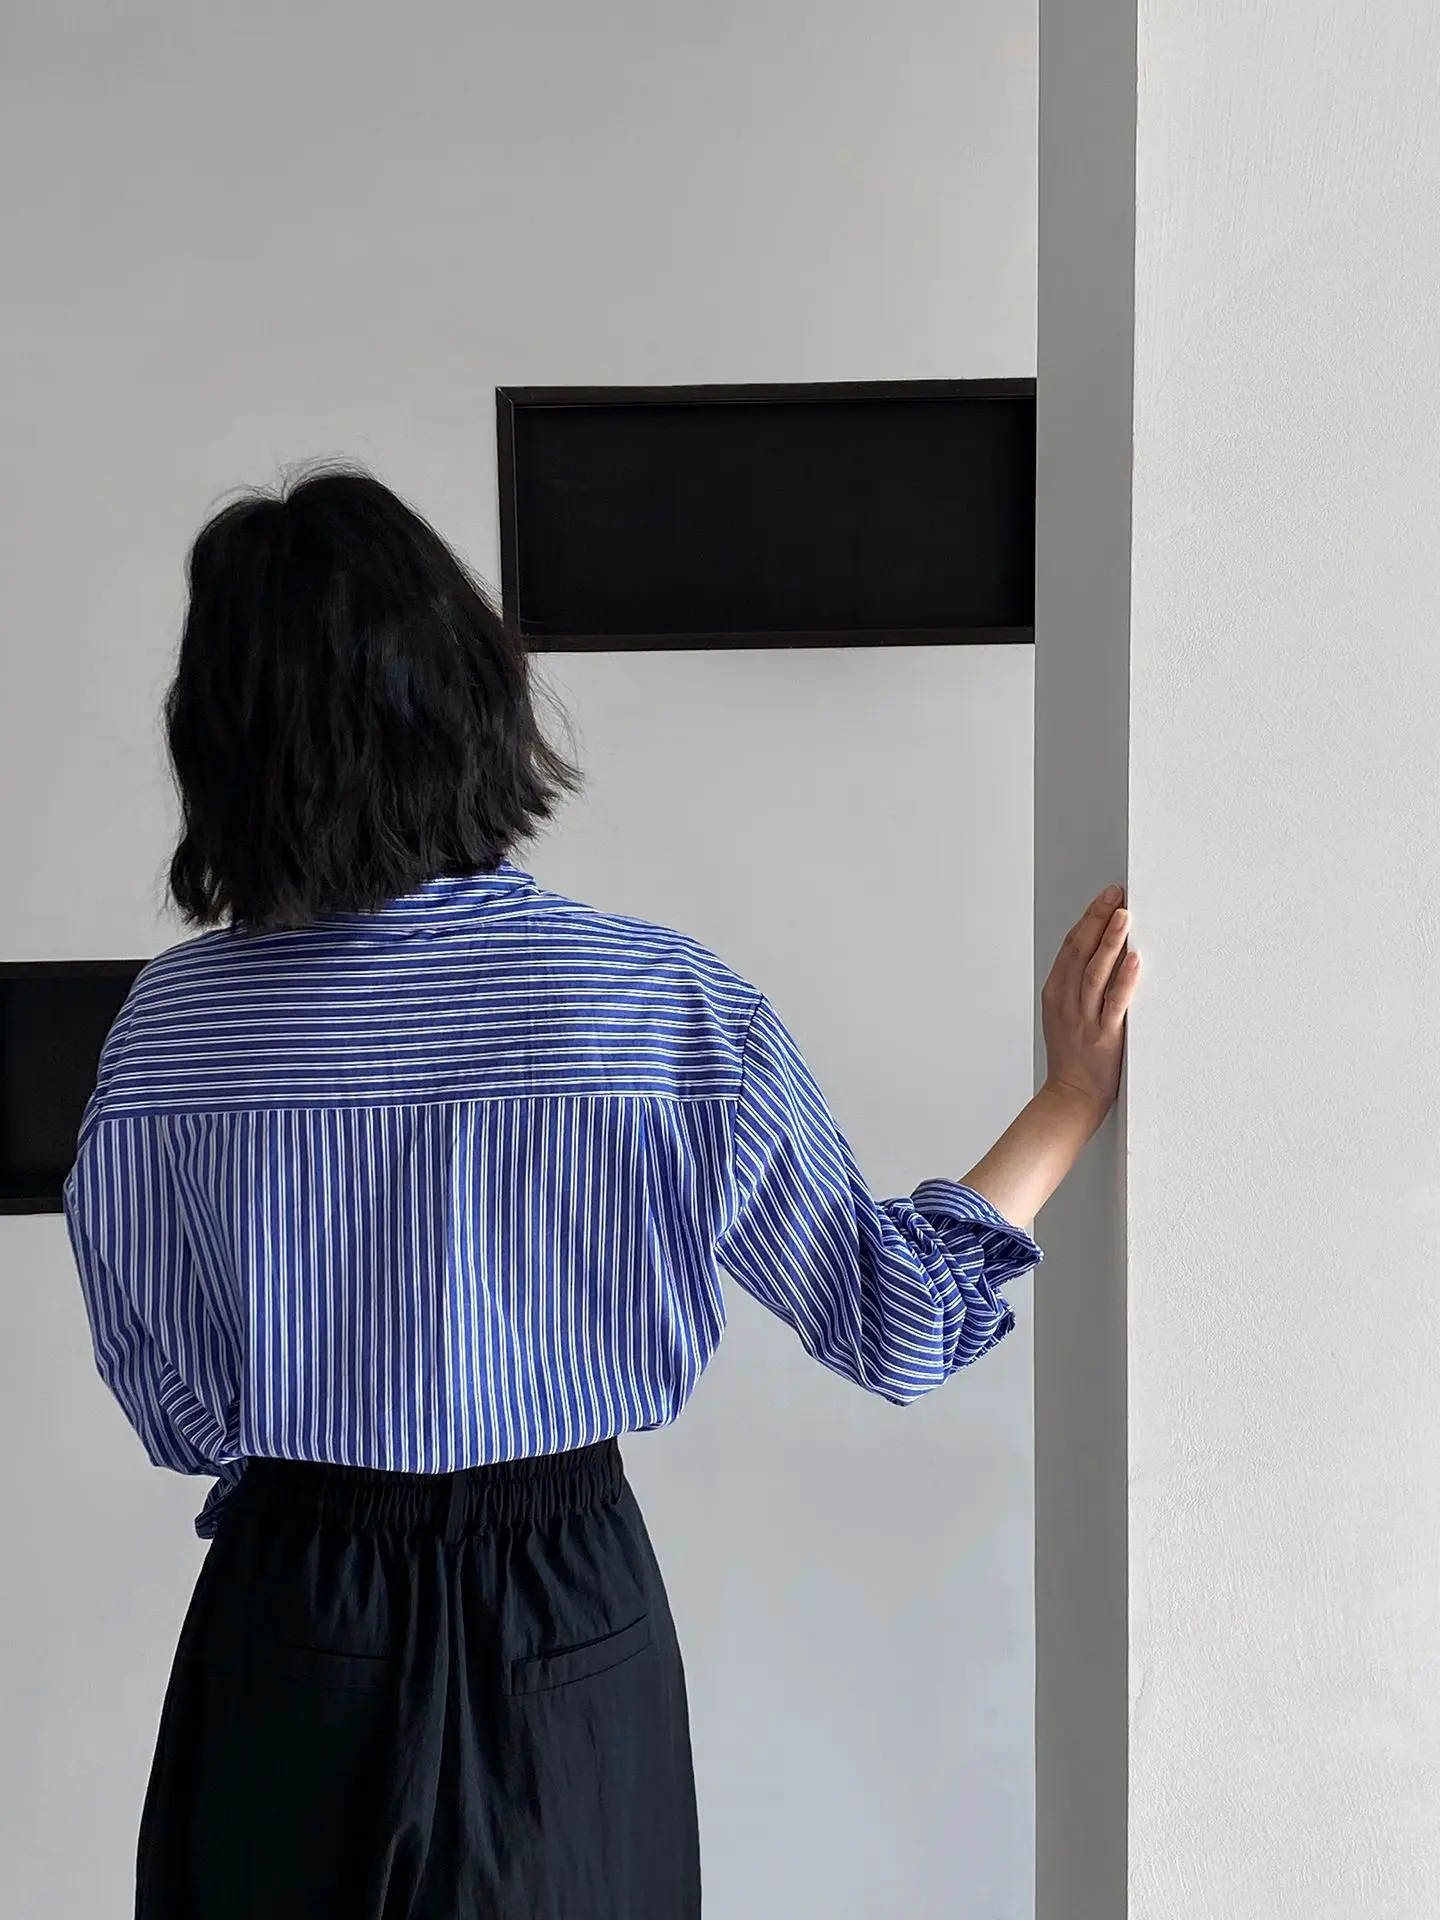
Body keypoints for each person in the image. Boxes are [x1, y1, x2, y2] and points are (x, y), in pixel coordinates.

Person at [63, 469, 1140, 1920]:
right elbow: (896, 1323)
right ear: (465, 698)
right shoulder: (659, 1005)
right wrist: (1069, 1099)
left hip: (291, 1610)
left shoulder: (173, 1030)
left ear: (222, 741)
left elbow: (182, 1412)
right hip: (565, 1604)